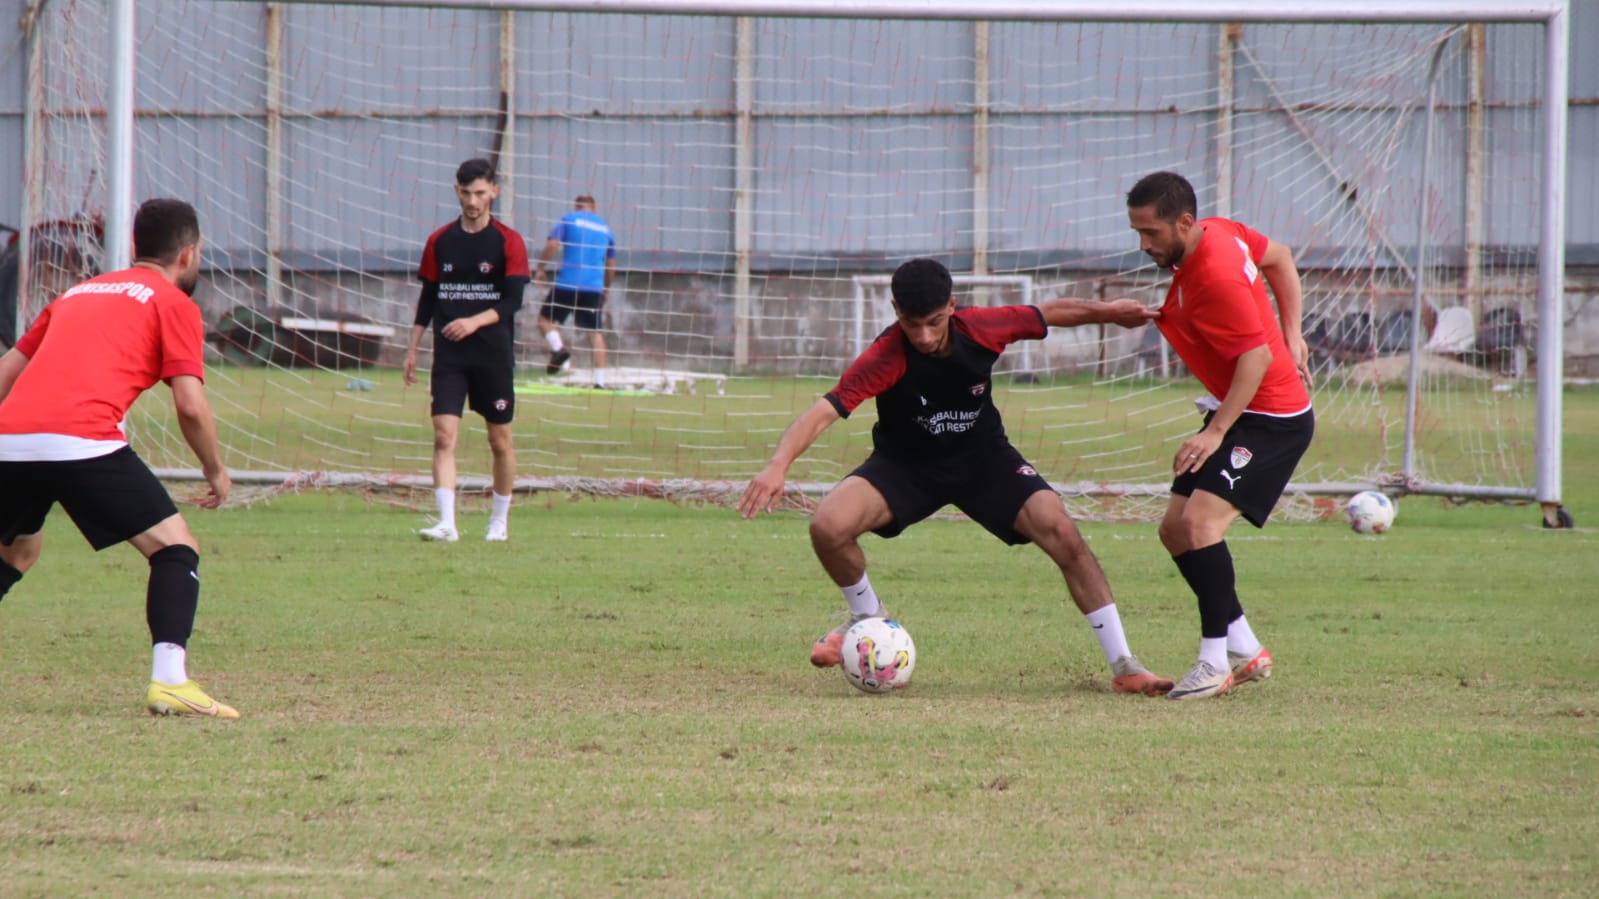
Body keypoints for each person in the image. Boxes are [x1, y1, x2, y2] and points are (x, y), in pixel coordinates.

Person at [739, 258, 1173, 696]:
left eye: (934, 322)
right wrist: (778, 465)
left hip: (984, 459)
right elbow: (824, 411)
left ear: (953, 305)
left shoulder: (981, 328)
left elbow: (1050, 312)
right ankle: (868, 619)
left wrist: (1110, 311)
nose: (924, 337)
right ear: (894, 310)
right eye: (912, 324)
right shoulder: (885, 355)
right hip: (906, 465)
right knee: (827, 525)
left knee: (1060, 528)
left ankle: (1125, 664)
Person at [0, 198, 238, 718]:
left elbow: (8, 372)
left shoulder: (76, 293)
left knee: (17, 551)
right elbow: (190, 406)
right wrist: (216, 471)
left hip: (10, 440)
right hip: (82, 441)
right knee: (176, 550)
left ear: (134, 247)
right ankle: (171, 681)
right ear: (189, 254)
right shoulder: (173, 303)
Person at [1124, 170, 1315, 701]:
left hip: (1270, 419)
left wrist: (1215, 432)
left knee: (1201, 523)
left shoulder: (1215, 276)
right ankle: (1246, 648)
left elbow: (1253, 358)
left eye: (1152, 233)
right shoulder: (1221, 231)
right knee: (1174, 529)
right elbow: (1281, 257)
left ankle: (1213, 662)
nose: (1144, 245)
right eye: (1137, 232)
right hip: (1242, 409)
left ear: (1185, 222)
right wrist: (1293, 332)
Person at [404, 158, 530, 543]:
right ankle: (447, 523)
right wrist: (413, 347)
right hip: (450, 356)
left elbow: (513, 301)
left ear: (494, 191)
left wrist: (475, 321)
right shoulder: (440, 241)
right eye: (466, 192)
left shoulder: (509, 241)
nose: (473, 201)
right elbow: (429, 297)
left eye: (480, 193)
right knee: (443, 436)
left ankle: (499, 522)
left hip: (492, 355)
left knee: (500, 441)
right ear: (456, 191)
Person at [534, 194, 616, 388]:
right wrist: (606, 288)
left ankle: (559, 349)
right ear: (594, 208)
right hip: (593, 287)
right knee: (594, 333)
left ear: (577, 207)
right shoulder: (606, 229)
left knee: (545, 320)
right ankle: (600, 383)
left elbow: (553, 244)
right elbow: (611, 264)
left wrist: (540, 268)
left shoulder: (569, 219)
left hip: (568, 283)